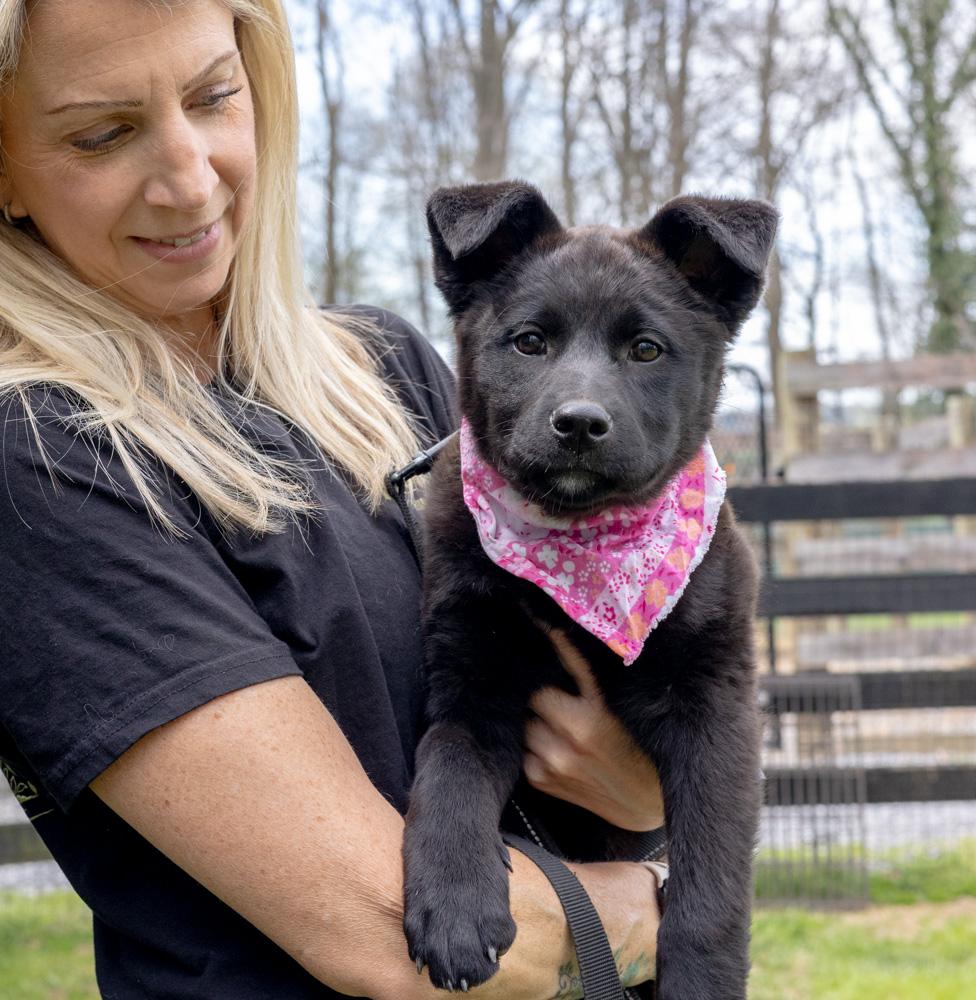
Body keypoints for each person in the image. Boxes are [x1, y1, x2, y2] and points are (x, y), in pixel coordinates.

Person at [0, 1, 665, 997]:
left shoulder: (383, 369)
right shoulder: (42, 463)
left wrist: (650, 785)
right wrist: (665, 902)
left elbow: (641, 700)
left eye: (214, 96)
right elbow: (389, 937)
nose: (191, 180)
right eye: (103, 134)